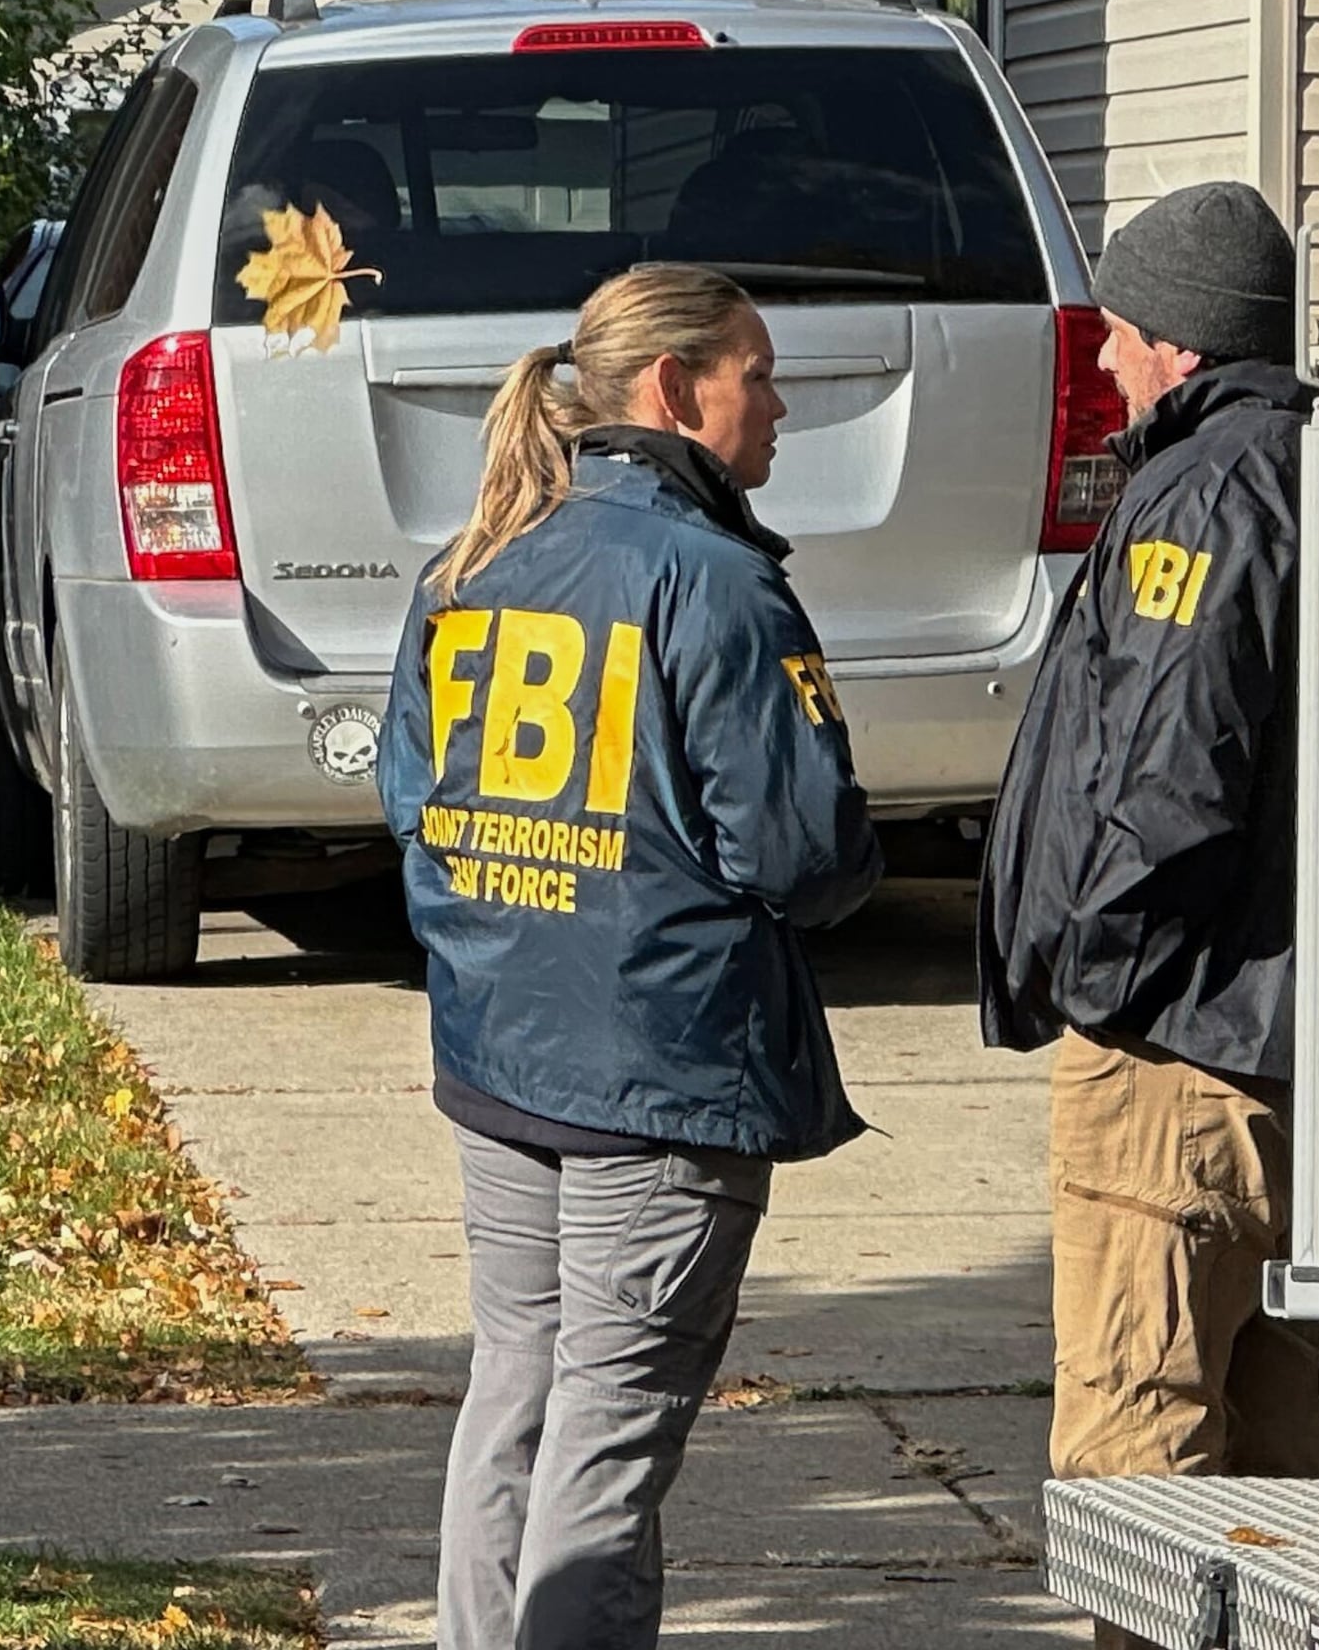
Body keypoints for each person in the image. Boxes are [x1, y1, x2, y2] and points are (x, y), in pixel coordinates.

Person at [378, 262, 878, 1650]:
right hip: (659, 1080)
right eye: (756, 372)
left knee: (516, 1412)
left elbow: (410, 802)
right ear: (675, 389)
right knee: (597, 1458)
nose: (778, 404)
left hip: (503, 1057)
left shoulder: (472, 561)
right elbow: (804, 855)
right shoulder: (714, 581)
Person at [977, 180, 1319, 1524]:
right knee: (1303, 1495)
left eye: (1121, 334)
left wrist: (1099, 976)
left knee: (1138, 1468)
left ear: (1181, 342)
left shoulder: (1205, 494)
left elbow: (1174, 779)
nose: (1109, 362)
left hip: (1179, 1059)